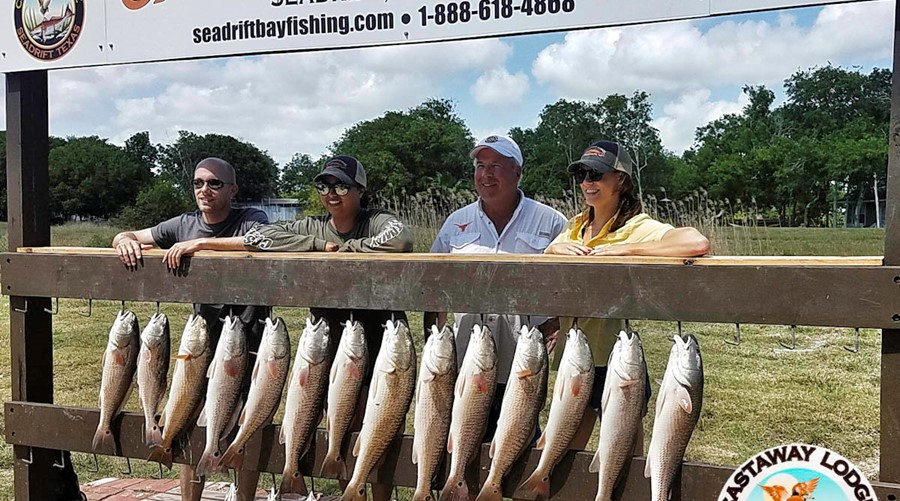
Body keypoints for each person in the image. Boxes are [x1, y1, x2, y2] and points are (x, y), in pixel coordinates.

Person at [242, 155, 412, 501]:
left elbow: (401, 240)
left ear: (360, 190)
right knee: (335, 424)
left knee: (375, 427)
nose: (331, 193)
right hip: (325, 344)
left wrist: (345, 251)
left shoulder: (377, 220)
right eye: (324, 185)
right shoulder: (312, 227)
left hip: (381, 343)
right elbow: (256, 235)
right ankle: (347, 491)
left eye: (341, 185)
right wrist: (318, 247)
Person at [112, 157, 269, 501]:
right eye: (198, 183)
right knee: (185, 415)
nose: (205, 190)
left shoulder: (249, 218)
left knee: (244, 420)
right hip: (200, 339)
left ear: (233, 189)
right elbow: (131, 234)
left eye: (214, 183)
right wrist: (123, 239)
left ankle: (243, 496)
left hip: (249, 340)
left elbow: (261, 240)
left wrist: (200, 245)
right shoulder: (183, 223)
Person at [544, 140, 710, 448]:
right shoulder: (576, 225)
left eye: (595, 174)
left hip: (617, 360)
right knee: (562, 454)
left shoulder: (637, 226)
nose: (586, 183)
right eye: (581, 174)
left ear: (621, 179)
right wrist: (553, 248)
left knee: (623, 463)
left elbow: (696, 242)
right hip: (574, 357)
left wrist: (628, 249)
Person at [428, 134, 567, 440]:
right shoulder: (456, 222)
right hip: (466, 358)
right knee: (462, 441)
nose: (486, 174)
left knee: (517, 442)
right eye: (480, 166)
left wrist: (557, 323)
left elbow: (568, 283)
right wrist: (434, 338)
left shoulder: (552, 221)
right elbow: (434, 284)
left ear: (518, 172)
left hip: (522, 360)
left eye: (496, 166)